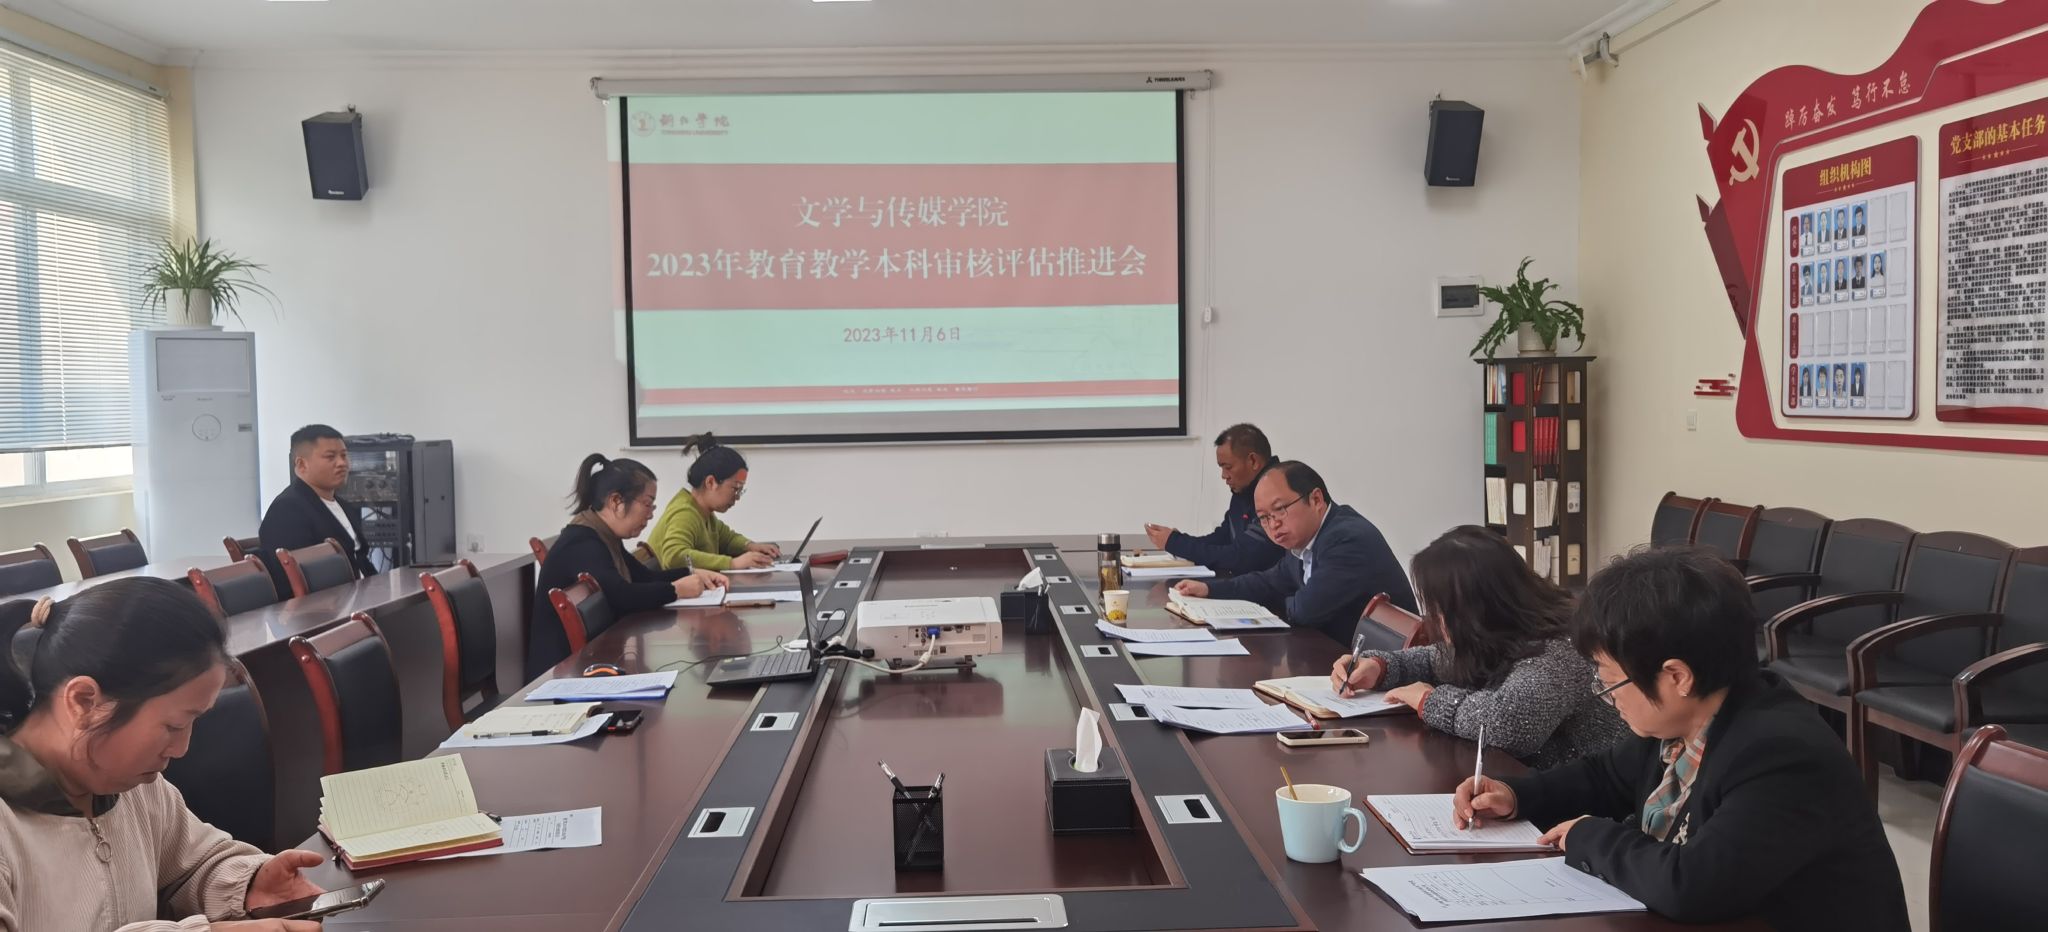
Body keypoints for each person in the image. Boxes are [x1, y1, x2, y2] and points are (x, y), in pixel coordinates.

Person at [1451, 547, 1910, 931]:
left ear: (1677, 676)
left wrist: (1590, 837)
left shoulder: (1781, 755)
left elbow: (1694, 886)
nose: (1609, 697)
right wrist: (1515, 795)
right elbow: (1605, 776)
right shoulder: (1688, 719)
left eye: (1610, 682)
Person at [0, 578, 331, 931]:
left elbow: (192, 864)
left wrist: (248, 885)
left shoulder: (135, 788)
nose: (182, 748)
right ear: (84, 701)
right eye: (173, 726)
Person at [1328, 527, 1624, 768]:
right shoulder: (1501, 631)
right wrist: (1381, 667)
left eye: (1440, 609)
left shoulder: (1561, 648)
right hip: (1521, 787)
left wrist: (1429, 700)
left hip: (1583, 806)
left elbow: (1508, 725)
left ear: (1476, 609)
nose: (1435, 619)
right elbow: (1438, 660)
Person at [530, 455, 728, 680]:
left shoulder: (603, 534)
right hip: (559, 675)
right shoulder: (583, 542)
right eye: (647, 504)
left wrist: (691, 573)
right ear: (616, 501)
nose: (651, 514)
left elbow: (644, 577)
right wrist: (676, 590)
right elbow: (622, 595)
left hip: (589, 663)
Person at [1172, 461, 1415, 643]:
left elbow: (1305, 611)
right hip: (1337, 656)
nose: (1273, 524)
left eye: (1280, 509)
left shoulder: (1346, 539)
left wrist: (1279, 602)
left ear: (1316, 499)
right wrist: (1210, 589)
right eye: (1264, 517)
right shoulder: (1305, 539)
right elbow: (1270, 581)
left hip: (1383, 674)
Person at [1143, 423, 1284, 573]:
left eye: (1228, 467)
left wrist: (1176, 543)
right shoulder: (1244, 492)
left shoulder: (1277, 494)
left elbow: (1242, 557)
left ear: (1253, 461)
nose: (1224, 476)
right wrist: (1177, 541)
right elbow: (1222, 539)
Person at [258, 424, 373, 596]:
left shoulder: (344, 506)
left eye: (344, 455)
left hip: (363, 595)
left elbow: (360, 559)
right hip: (329, 604)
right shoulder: (287, 509)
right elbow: (292, 579)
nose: (342, 463)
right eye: (330, 457)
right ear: (302, 464)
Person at [648, 434, 780, 572]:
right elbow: (674, 556)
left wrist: (750, 546)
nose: (737, 497)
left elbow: (728, 540)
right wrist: (732, 564)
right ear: (711, 482)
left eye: (741, 490)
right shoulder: (685, 513)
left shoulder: (704, 512)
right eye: (735, 489)